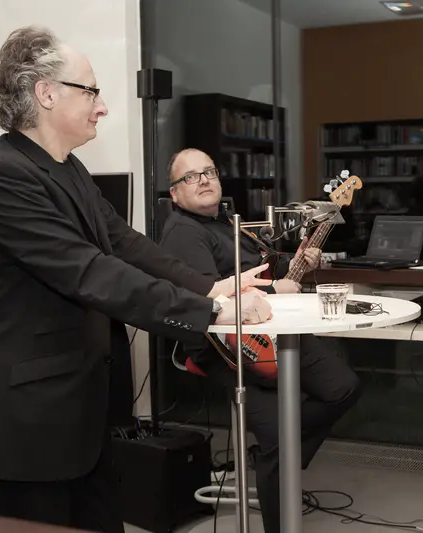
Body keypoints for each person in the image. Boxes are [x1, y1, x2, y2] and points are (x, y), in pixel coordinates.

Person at [0, 26, 273, 533]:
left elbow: (125, 242)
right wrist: (213, 313)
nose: (101, 106)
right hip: (25, 423)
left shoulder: (67, 169)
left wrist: (210, 286)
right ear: (46, 93)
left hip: (80, 412)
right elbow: (90, 272)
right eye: (92, 91)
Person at [159, 148, 362, 533]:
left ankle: (276, 450)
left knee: (343, 387)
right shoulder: (184, 232)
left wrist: (301, 259)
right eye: (190, 177)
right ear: (174, 194)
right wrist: (274, 289)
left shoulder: (230, 224)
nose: (203, 180)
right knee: (277, 442)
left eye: (209, 172)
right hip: (228, 348)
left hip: (274, 333)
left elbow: (267, 266)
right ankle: (276, 466)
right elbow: (206, 294)